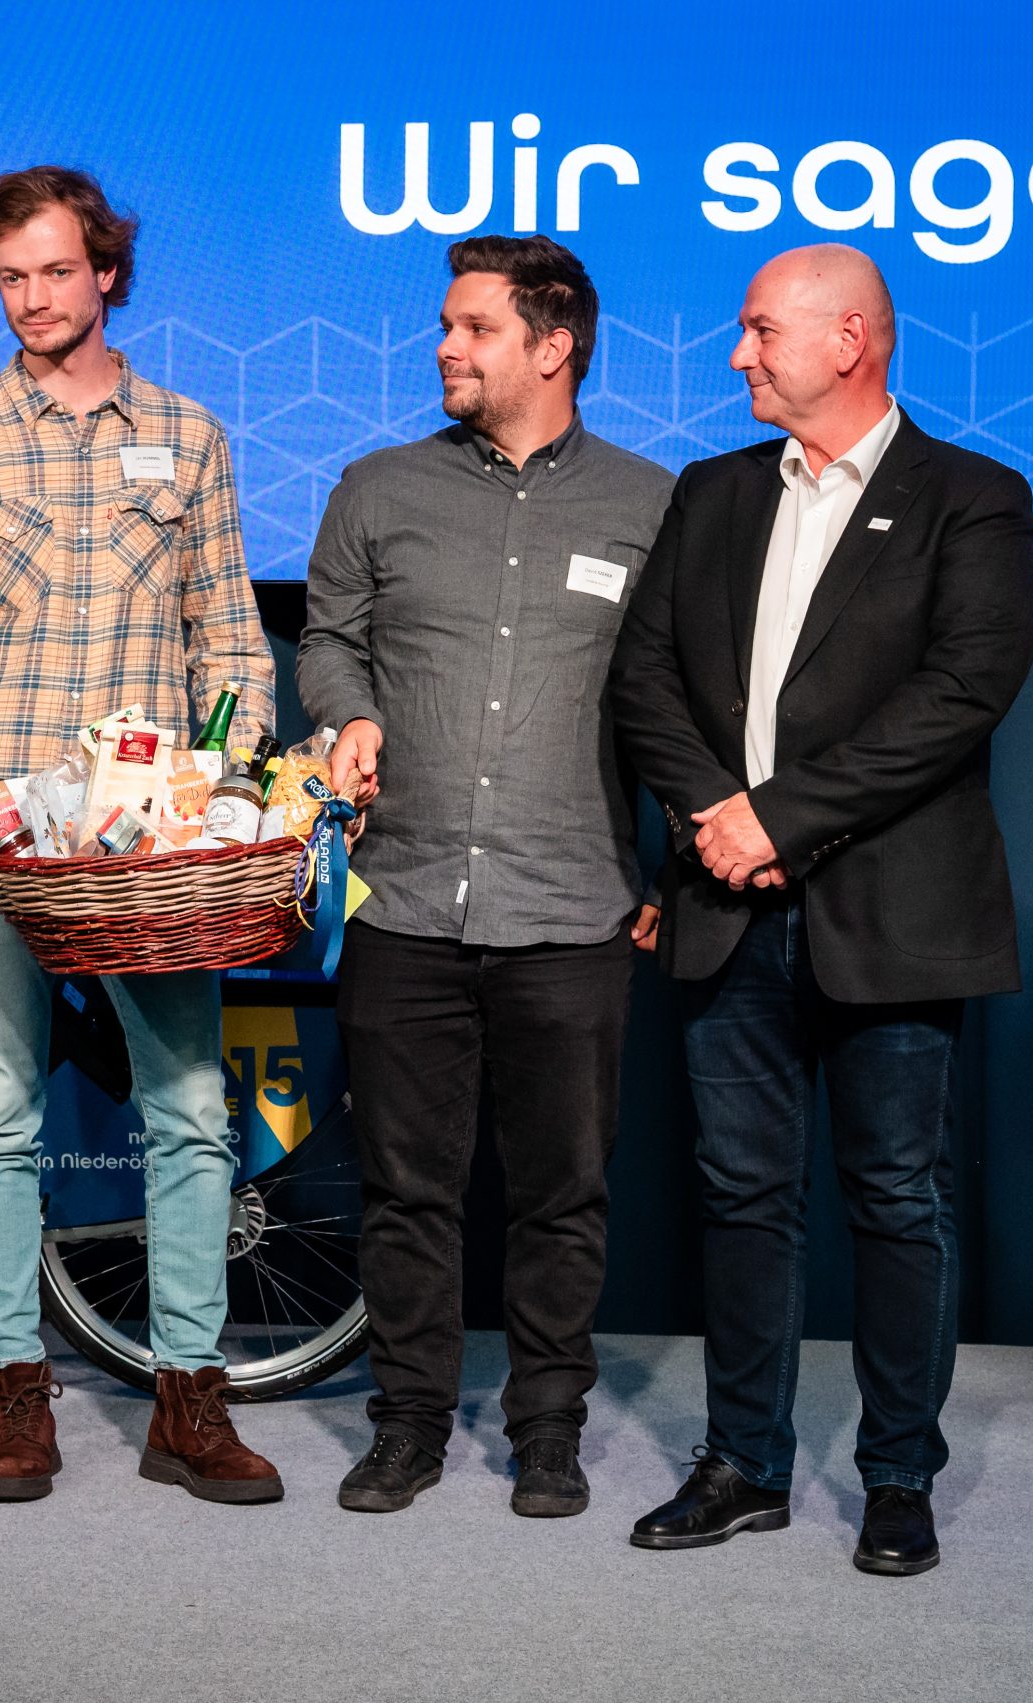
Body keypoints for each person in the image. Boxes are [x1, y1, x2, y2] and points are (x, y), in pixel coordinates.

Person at [611, 243, 1033, 1576]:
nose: (736, 353)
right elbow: (643, 679)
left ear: (850, 340)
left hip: (893, 911)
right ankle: (744, 1460)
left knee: (897, 1197)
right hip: (724, 902)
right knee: (741, 1195)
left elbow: (962, 693)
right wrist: (715, 816)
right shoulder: (714, 491)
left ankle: (900, 1472)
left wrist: (780, 818)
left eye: (758, 330)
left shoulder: (971, 496)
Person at [0, 166, 283, 1506]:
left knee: (189, 1106)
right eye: (12, 277)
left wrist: (222, 775)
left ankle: (189, 1398)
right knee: (0, 1113)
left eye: (57, 270)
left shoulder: (190, 433)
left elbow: (229, 634)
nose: (33, 298)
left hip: (142, 842)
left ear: (106, 272)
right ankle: (19, 1393)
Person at [298, 235, 673, 1518]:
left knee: (562, 1193)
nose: (444, 345)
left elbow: (682, 700)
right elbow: (329, 640)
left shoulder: (652, 505)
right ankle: (406, 1422)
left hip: (571, 904)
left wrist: (673, 862)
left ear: (553, 346)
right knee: (407, 1191)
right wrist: (347, 712)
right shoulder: (376, 487)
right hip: (402, 900)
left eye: (473, 328)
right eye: (446, 324)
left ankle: (547, 1427)